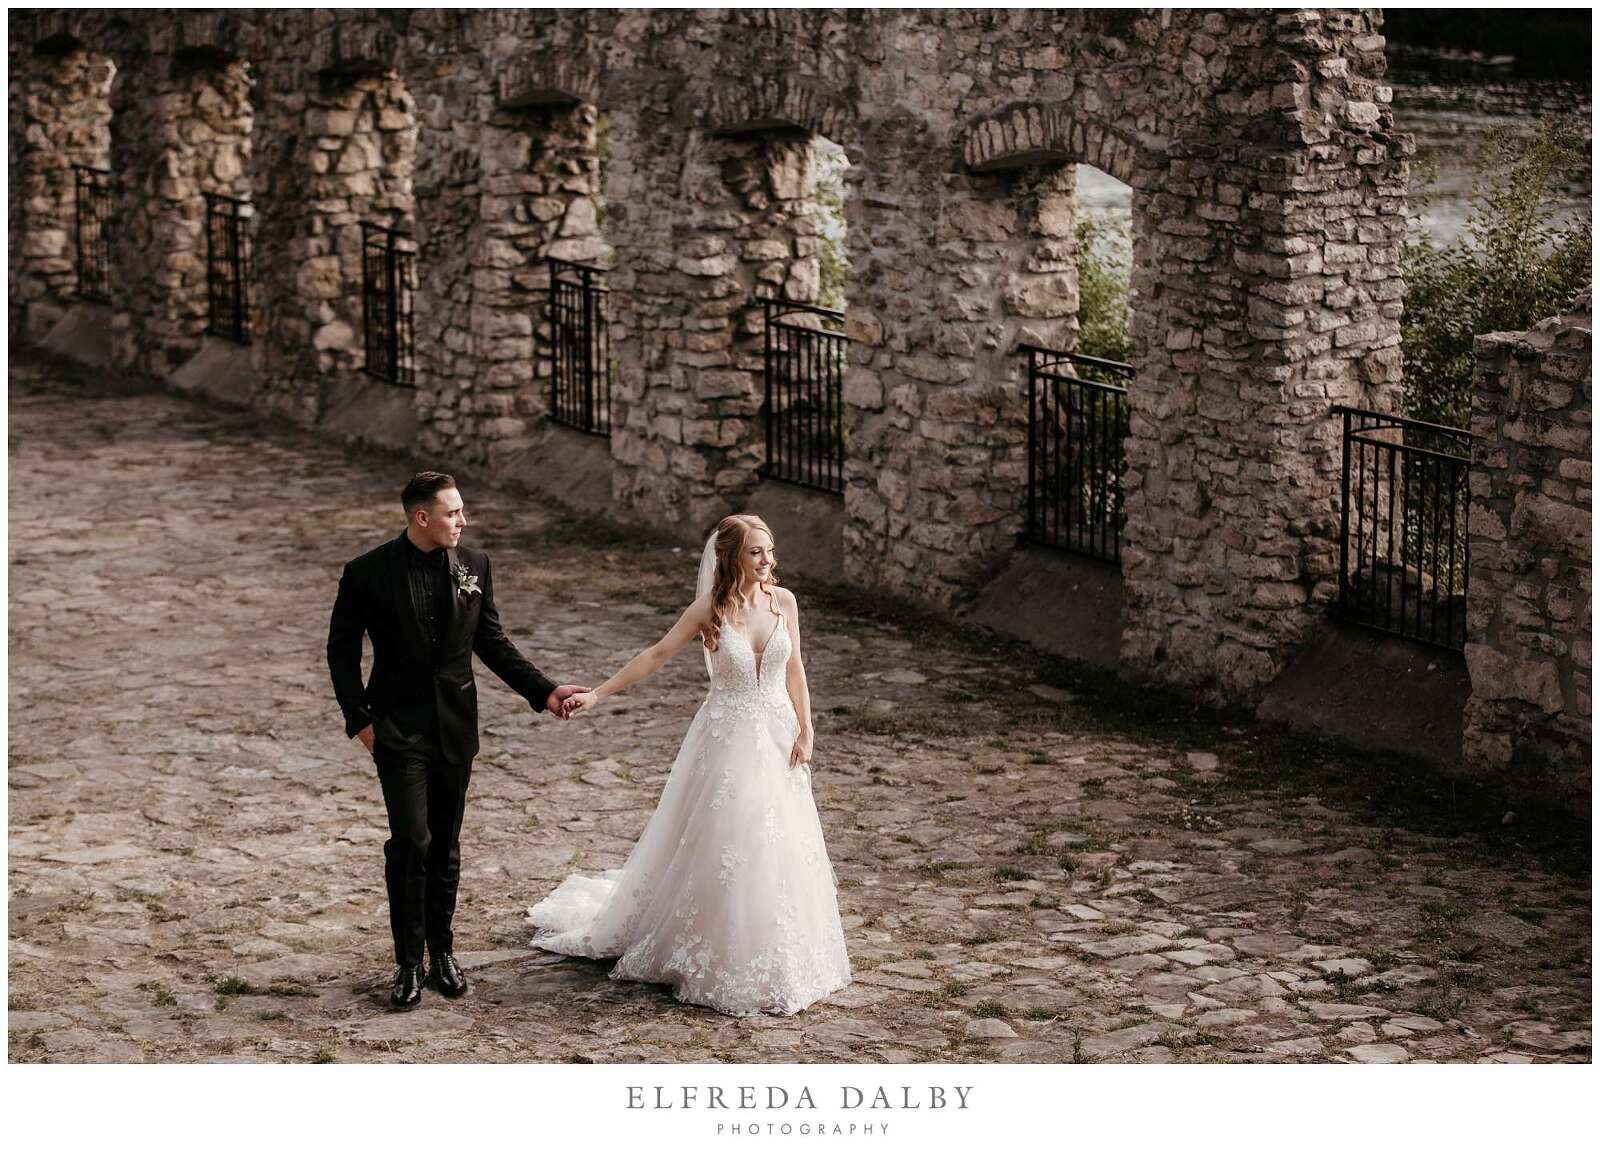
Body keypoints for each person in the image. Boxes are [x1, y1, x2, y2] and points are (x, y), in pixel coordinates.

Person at [527, 514, 852, 1016]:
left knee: (780, 841)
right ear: (730, 557)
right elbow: (656, 655)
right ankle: (716, 947)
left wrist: (807, 730)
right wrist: (597, 694)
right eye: (755, 553)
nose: (767, 562)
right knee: (731, 838)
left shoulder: (783, 601)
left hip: (778, 735)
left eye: (770, 551)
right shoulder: (710, 609)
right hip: (727, 739)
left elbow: (795, 668)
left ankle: (779, 946)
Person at [327, 471, 586, 1009]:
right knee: (411, 843)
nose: (463, 521)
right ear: (422, 517)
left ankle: (442, 952)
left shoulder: (475, 566)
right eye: (453, 513)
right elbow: (341, 651)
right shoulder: (367, 573)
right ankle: (407, 963)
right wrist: (362, 722)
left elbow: (490, 641)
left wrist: (544, 691)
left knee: (444, 845)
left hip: (454, 729)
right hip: (397, 731)